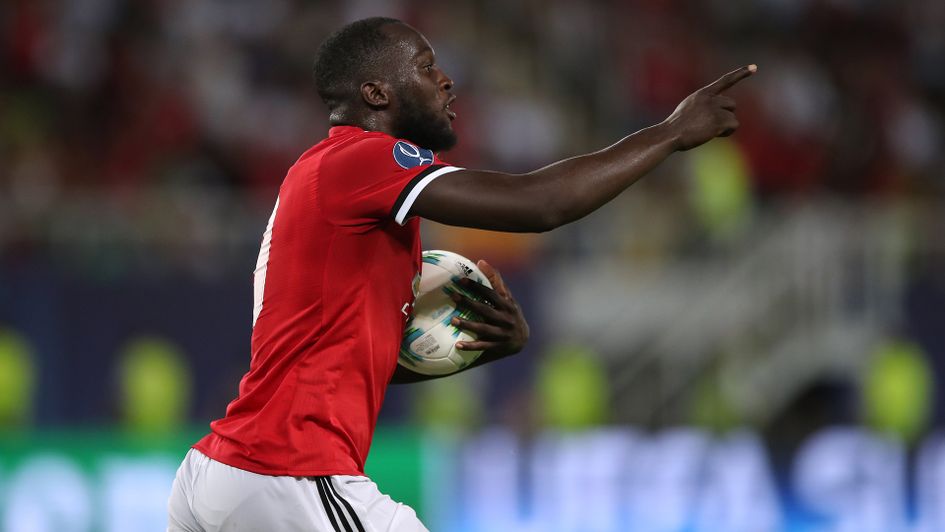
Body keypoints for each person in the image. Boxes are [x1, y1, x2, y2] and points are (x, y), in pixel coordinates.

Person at [167, 16, 755, 532]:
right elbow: (539, 203)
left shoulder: (321, 182)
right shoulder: (362, 159)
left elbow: (326, 362)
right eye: (425, 66)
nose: (446, 80)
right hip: (288, 473)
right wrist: (672, 132)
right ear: (375, 91)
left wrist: (477, 345)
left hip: (218, 474)